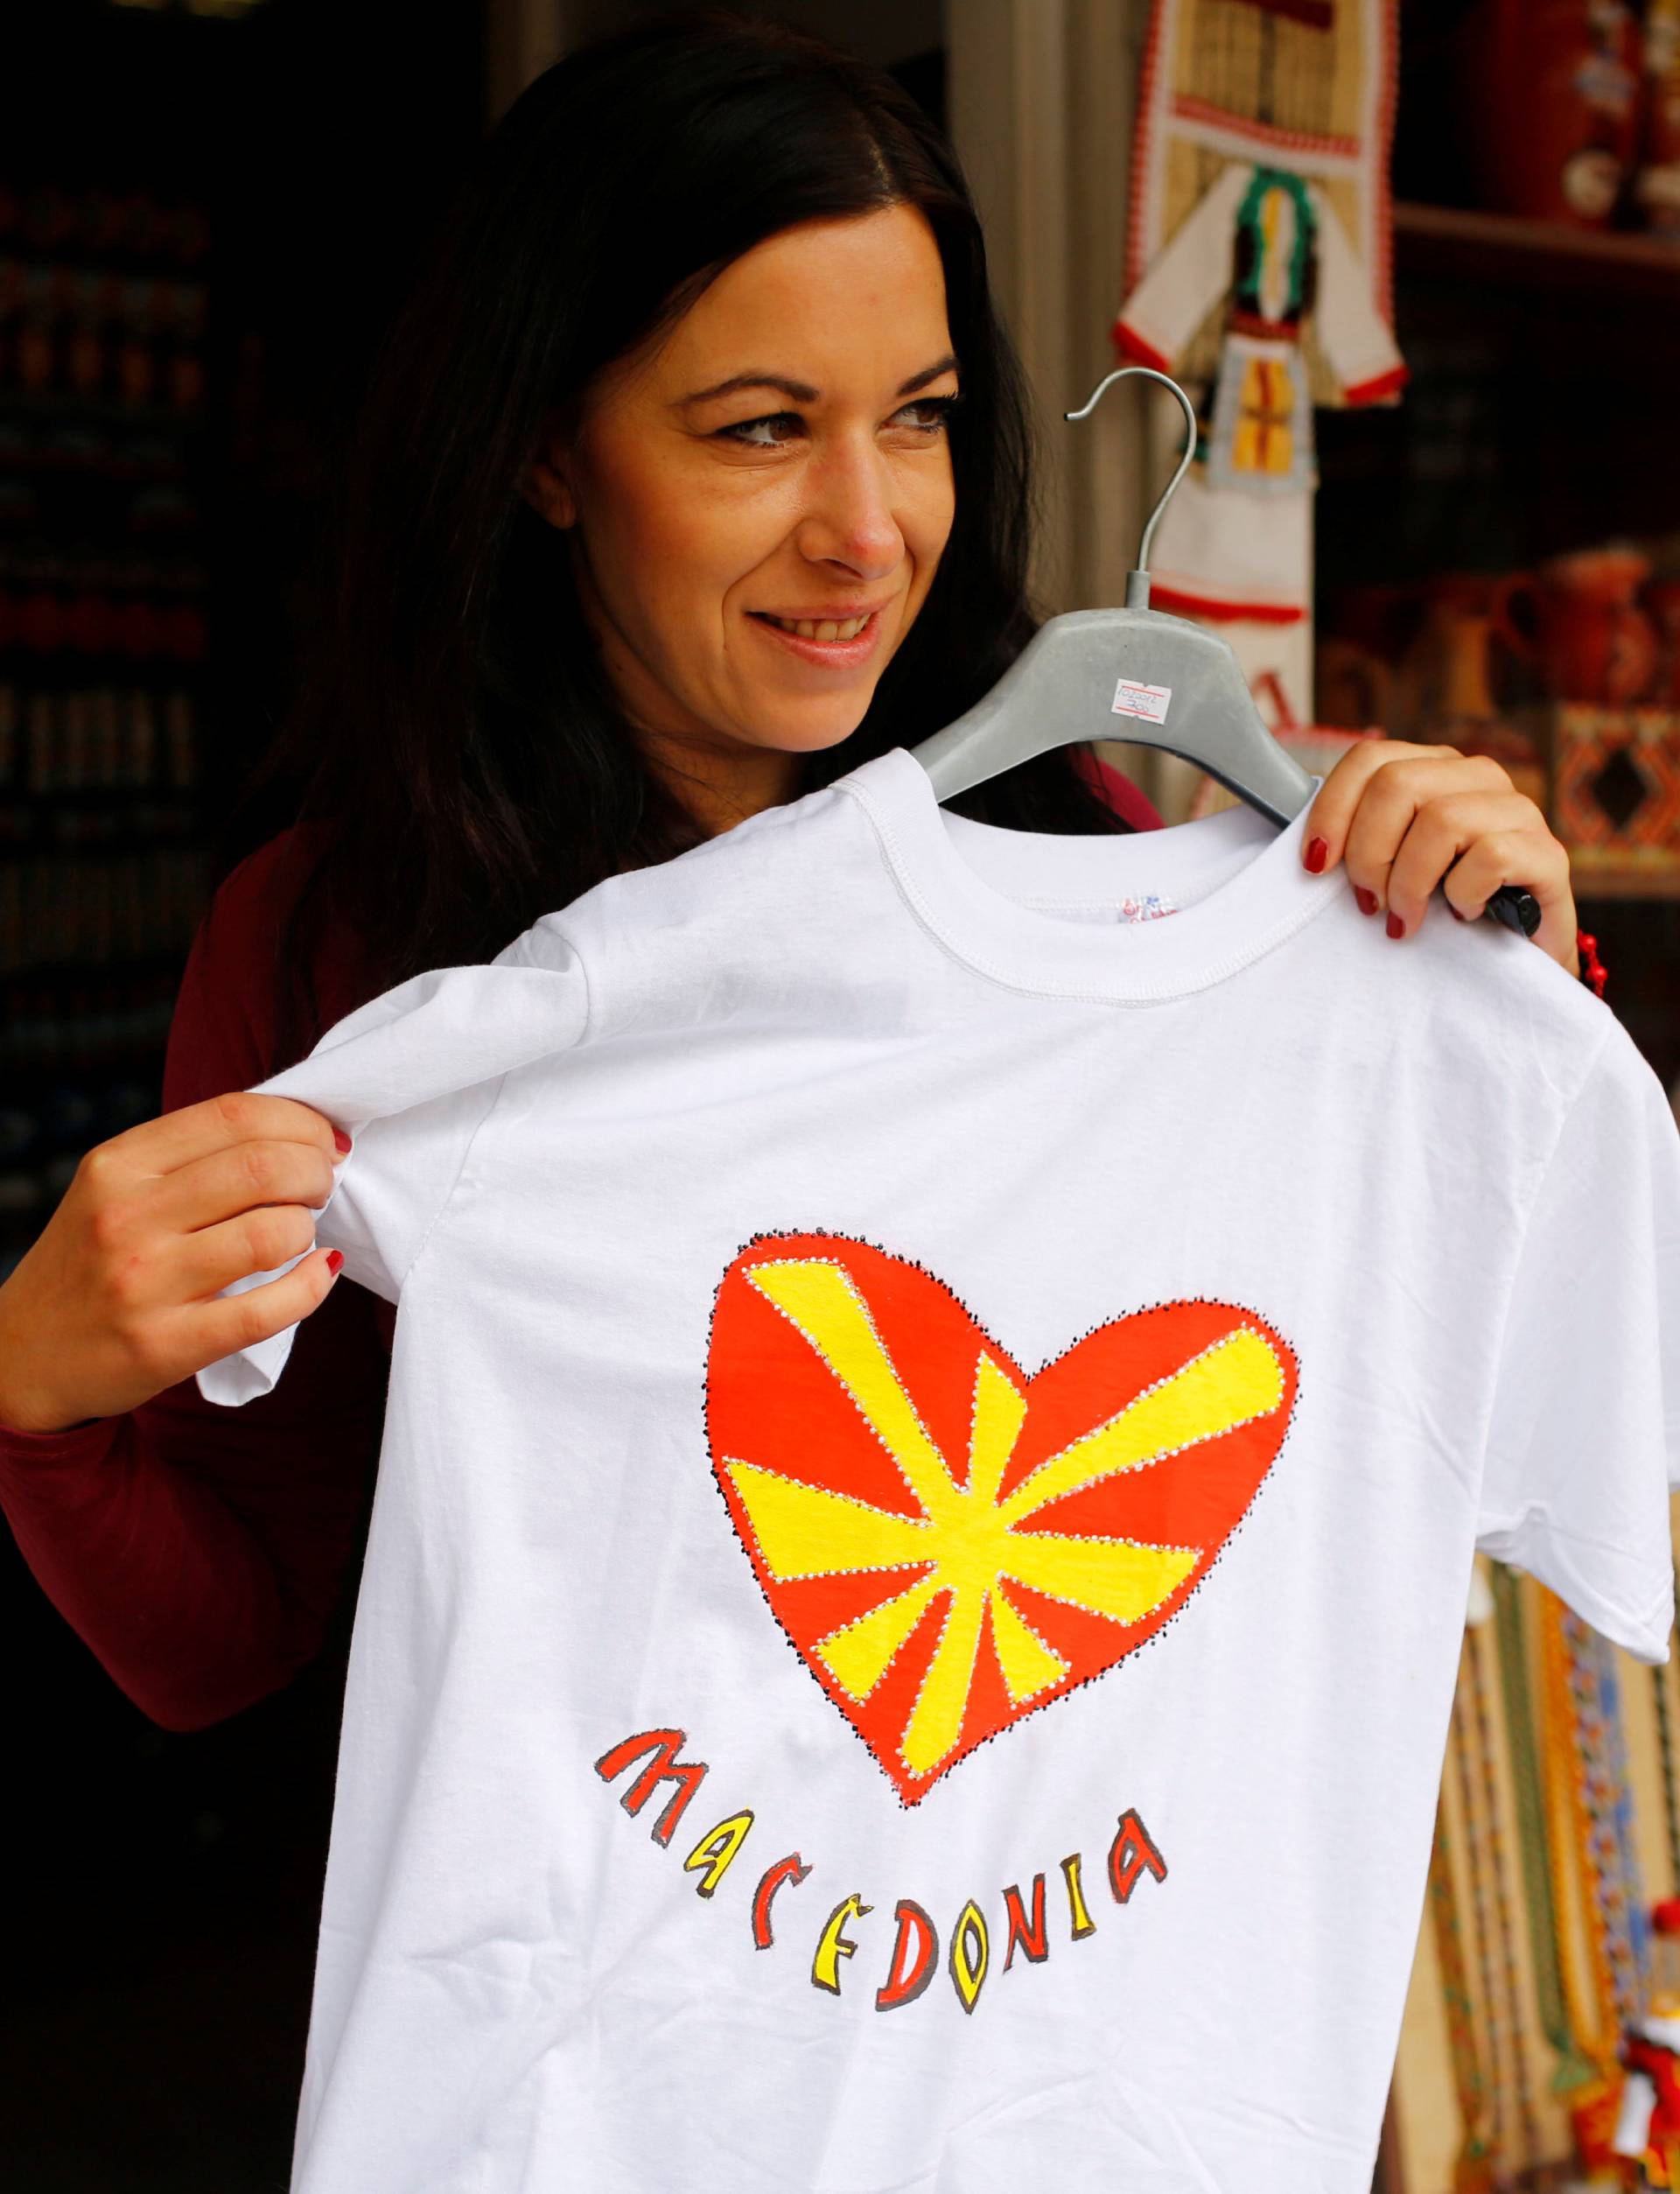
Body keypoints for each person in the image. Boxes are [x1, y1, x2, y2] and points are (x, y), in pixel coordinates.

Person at [0, 4, 1592, 1840]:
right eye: (761, 430)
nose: (867, 531)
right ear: (542, 454)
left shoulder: (1079, 871)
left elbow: (1435, 1363)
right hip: (608, 2016)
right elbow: (226, 1643)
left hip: (1037, 1975)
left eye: (916, 422)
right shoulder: (344, 952)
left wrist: (1496, 986)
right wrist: (38, 1392)